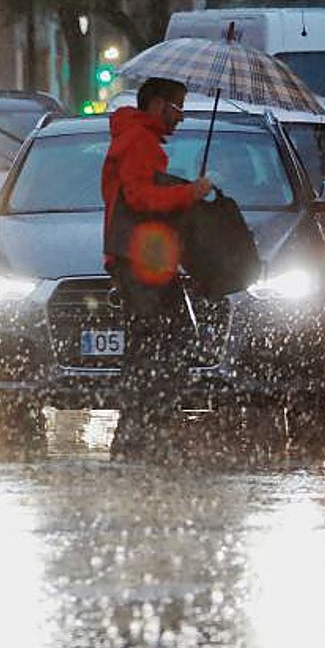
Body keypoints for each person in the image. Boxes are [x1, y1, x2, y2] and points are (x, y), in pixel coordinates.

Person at [102, 78, 212, 458]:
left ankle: (144, 429)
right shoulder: (138, 140)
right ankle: (144, 431)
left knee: (158, 342)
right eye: (177, 107)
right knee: (158, 343)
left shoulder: (137, 137)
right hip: (139, 261)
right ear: (158, 104)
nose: (181, 117)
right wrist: (190, 193)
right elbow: (140, 197)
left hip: (144, 259)